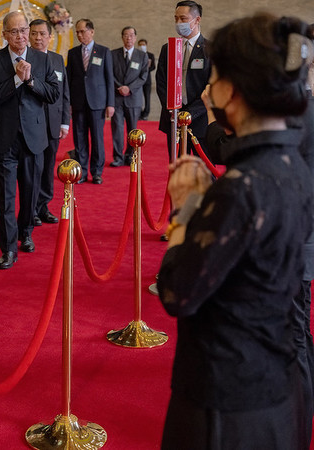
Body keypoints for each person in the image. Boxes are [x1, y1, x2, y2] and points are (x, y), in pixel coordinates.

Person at [157, 13, 313, 449]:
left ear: (236, 89)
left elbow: (176, 292)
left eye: (216, 77)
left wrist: (187, 205)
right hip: (277, 385)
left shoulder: (244, 187)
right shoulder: (292, 165)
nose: (207, 89)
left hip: (228, 399)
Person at [0, 11, 60, 269]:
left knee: (30, 191)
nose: (22, 36)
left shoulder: (42, 59)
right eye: (14, 31)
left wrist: (31, 80)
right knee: (5, 197)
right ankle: (8, 248)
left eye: (24, 29)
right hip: (4, 138)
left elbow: (52, 94)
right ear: (4, 35)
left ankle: (26, 233)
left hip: (34, 137)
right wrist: (16, 79)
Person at [155, 1, 211, 162]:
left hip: (201, 120)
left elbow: (212, 86)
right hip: (173, 120)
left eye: (183, 18)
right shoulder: (168, 48)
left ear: (197, 20)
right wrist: (173, 109)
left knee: (206, 171)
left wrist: (190, 113)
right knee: (178, 171)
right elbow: (161, 82)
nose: (179, 23)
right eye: (176, 18)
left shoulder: (210, 49)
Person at [28, 19, 70, 226]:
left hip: (53, 123)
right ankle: (31, 209)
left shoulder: (57, 59)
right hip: (31, 124)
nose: (38, 38)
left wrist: (65, 122)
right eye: (34, 33)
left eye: (42, 34)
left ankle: (43, 206)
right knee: (33, 168)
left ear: (50, 37)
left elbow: (64, 93)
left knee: (48, 167)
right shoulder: (24, 59)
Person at [67, 19, 115, 184]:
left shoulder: (103, 51)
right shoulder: (72, 53)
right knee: (79, 139)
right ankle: (82, 172)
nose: (80, 35)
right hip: (78, 102)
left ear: (92, 32)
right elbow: (69, 80)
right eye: (77, 32)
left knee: (97, 138)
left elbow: (110, 79)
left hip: (98, 103)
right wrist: (69, 103)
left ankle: (97, 172)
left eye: (82, 31)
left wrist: (111, 104)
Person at [110, 26, 148, 167]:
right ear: (122, 37)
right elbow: (110, 74)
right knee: (117, 129)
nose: (129, 38)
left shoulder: (142, 56)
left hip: (134, 98)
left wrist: (129, 88)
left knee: (133, 129)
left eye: (131, 35)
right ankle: (118, 157)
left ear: (135, 37)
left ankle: (130, 155)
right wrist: (119, 87)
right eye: (126, 35)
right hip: (117, 97)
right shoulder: (113, 54)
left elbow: (143, 77)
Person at [138, 38, 155, 120]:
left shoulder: (150, 55)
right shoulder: (136, 54)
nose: (142, 46)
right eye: (140, 45)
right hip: (138, 79)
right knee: (138, 97)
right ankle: (139, 113)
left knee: (147, 97)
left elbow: (153, 67)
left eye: (143, 45)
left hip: (147, 80)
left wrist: (146, 70)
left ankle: (146, 113)